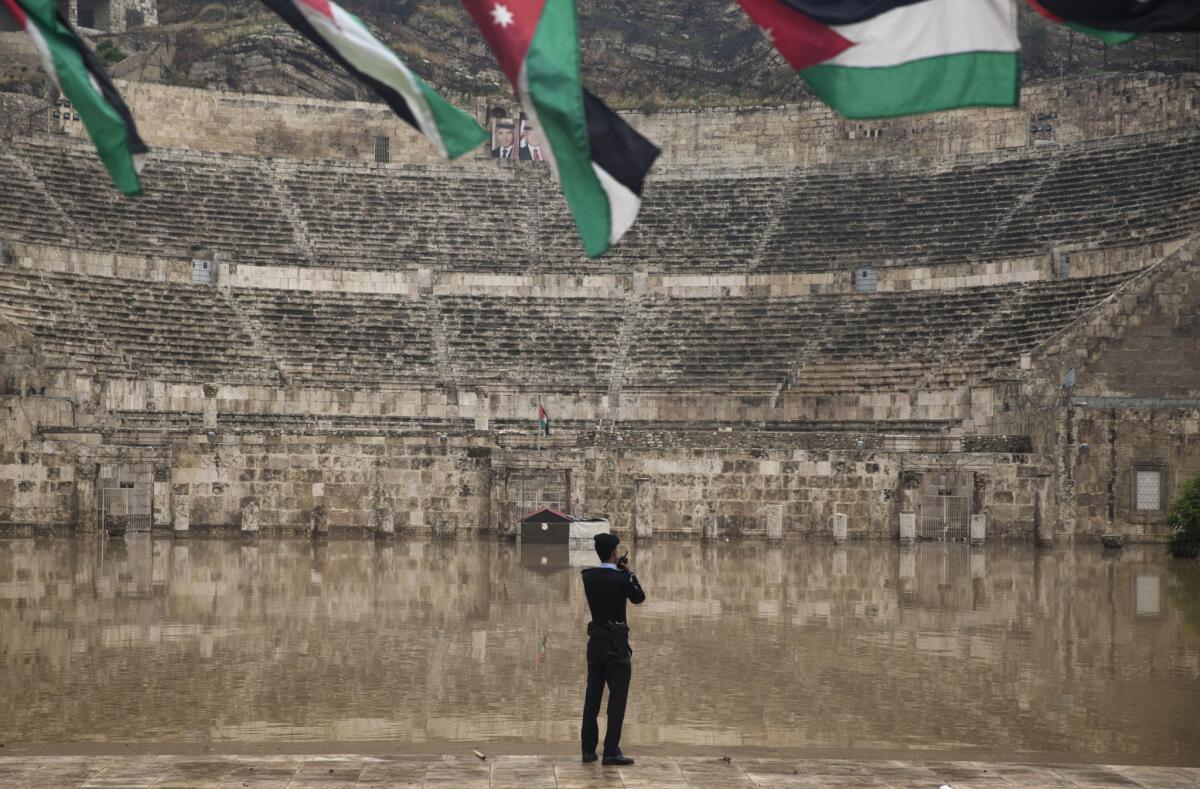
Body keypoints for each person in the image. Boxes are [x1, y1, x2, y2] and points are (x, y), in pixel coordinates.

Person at [580, 532, 645, 766]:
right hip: (616, 647)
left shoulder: (587, 577)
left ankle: (588, 751)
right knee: (617, 701)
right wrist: (628, 573)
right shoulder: (622, 579)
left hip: (595, 644)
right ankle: (610, 751)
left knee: (592, 699)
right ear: (615, 553)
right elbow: (639, 598)